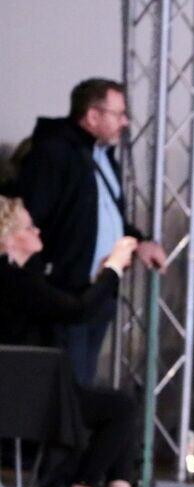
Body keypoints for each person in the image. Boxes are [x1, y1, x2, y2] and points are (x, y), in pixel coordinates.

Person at [0, 196, 168, 487]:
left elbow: (65, 305)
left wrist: (103, 275)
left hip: (24, 391)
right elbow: (77, 311)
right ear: (9, 238)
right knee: (119, 407)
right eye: (29, 227)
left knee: (117, 404)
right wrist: (113, 268)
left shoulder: (22, 277)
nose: (38, 231)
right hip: (19, 399)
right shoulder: (13, 280)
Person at [16, 78, 168, 385]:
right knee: (68, 387)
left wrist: (139, 242)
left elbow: (105, 217)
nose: (125, 122)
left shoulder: (101, 157)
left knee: (83, 383)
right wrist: (49, 280)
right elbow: (31, 219)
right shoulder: (54, 154)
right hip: (67, 293)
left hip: (98, 291)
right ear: (93, 115)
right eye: (118, 114)